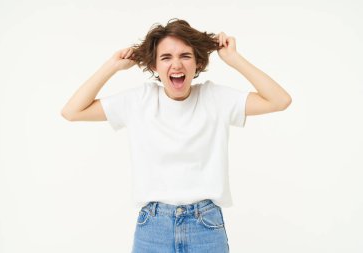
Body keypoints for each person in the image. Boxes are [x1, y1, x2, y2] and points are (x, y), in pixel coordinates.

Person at [61, 18, 291, 253]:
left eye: (185, 56)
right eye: (166, 57)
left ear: (198, 62)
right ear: (154, 66)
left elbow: (280, 100)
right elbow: (72, 111)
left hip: (206, 226)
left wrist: (235, 60)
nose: (176, 65)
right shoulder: (139, 101)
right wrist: (111, 66)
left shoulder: (215, 98)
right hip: (153, 227)